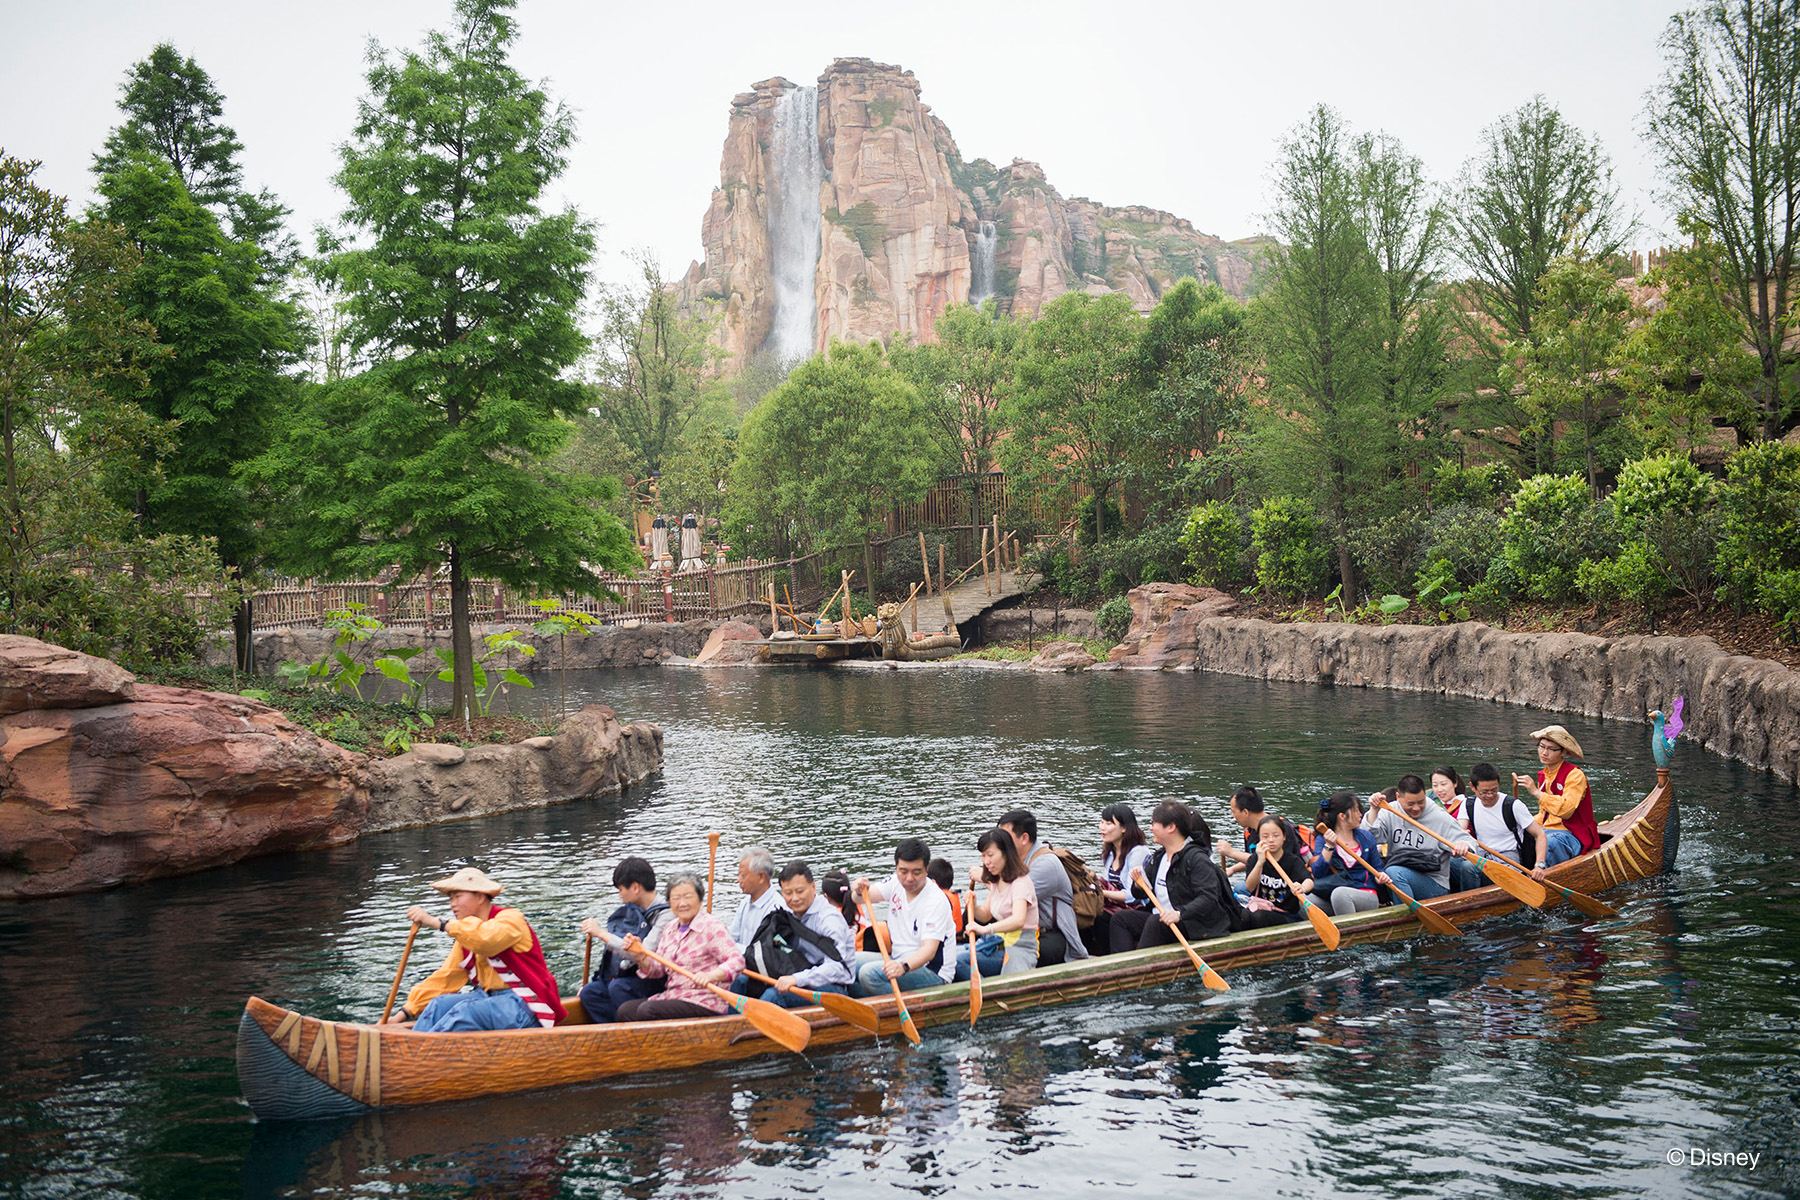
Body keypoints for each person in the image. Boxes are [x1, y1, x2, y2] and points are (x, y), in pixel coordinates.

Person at [387, 867, 564, 1031]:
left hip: (526, 1002)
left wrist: (437, 923)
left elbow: (486, 941)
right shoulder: (465, 934)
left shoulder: (511, 919)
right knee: (439, 1004)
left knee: (466, 1011)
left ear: (480, 897)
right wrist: (403, 1014)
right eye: (450, 898)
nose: (452, 904)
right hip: (489, 999)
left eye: (457, 896)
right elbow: (447, 977)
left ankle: (418, 1052)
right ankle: (412, 1045)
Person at [614, 873, 744, 1021]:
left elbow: (737, 961)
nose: (682, 903)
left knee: (647, 1010)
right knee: (625, 1011)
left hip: (705, 1000)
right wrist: (639, 955)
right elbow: (658, 969)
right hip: (674, 996)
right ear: (669, 902)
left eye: (688, 897)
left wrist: (710, 976)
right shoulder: (670, 928)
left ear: (700, 900)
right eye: (676, 898)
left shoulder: (712, 927)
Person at [1115, 800, 1241, 951]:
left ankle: (1136, 969)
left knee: (1156, 922)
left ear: (1171, 827)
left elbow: (1208, 898)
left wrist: (1179, 914)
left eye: (1154, 823)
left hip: (1193, 924)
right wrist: (1138, 882)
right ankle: (1120, 963)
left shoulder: (1196, 859)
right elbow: (1140, 893)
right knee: (1120, 918)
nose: (1150, 828)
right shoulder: (1159, 857)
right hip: (1162, 919)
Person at [849, 838, 957, 996]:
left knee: (869, 974)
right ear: (897, 867)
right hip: (897, 959)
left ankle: (891, 1011)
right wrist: (859, 889)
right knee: (847, 962)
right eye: (903, 871)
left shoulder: (936, 900)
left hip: (931, 971)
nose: (909, 878)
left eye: (916, 872)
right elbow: (860, 898)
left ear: (926, 869)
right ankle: (867, 1009)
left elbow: (929, 951)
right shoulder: (895, 882)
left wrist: (903, 967)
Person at [576, 856, 673, 1022]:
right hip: (628, 975)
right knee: (589, 992)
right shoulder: (629, 911)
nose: (620, 895)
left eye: (621, 889)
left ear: (635, 887)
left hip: (657, 978)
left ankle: (632, 1035)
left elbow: (643, 953)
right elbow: (611, 955)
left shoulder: (666, 914)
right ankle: (613, 1033)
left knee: (618, 988)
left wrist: (600, 933)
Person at [751, 860, 857, 1009]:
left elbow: (837, 968)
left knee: (773, 996)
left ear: (813, 887)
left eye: (800, 891)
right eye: (788, 893)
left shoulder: (828, 920)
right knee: (742, 982)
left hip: (833, 987)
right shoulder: (786, 914)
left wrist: (796, 979)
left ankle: (749, 1029)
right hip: (800, 975)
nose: (794, 898)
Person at [998, 809, 1090, 965]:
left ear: (1024, 838)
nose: (1000, 843)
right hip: (1027, 933)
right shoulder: (1015, 861)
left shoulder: (1045, 864)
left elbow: (1010, 902)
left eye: (1005, 838)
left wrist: (986, 878)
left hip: (1054, 936)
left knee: (1004, 955)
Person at [1363, 775, 1477, 901]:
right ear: (1398, 797)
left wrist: (1464, 845)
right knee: (1385, 873)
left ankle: (1405, 916)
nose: (1416, 808)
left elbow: (1469, 841)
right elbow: (1369, 840)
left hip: (1434, 883)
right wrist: (1374, 810)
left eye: (1421, 802)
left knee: (1394, 872)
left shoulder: (1438, 816)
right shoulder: (1389, 811)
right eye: (1410, 804)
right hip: (1400, 871)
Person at [957, 829, 1040, 979]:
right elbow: (985, 915)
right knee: (952, 956)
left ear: (1006, 853)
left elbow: (1018, 919)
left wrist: (985, 930)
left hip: (1018, 948)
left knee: (960, 961)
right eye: (983, 856)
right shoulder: (997, 881)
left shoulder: (1021, 883)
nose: (986, 862)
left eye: (990, 855)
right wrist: (973, 905)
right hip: (997, 943)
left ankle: (987, 995)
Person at [1513, 725, 1599, 867]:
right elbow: (1543, 814)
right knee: (1516, 837)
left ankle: (1541, 875)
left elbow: (1566, 810)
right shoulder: (1543, 774)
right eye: (1541, 746)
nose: (1544, 752)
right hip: (1546, 830)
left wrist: (1536, 792)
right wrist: (1524, 824)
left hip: (1571, 834)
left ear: (1563, 752)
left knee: (1549, 843)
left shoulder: (1575, 775)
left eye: (1551, 749)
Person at [1465, 762, 1551, 881]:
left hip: (1508, 860)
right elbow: (1460, 831)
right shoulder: (1468, 804)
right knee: (1462, 866)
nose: (1490, 796)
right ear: (1473, 787)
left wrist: (1539, 865)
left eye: (1494, 790)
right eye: (1484, 792)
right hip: (1481, 856)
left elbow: (1540, 834)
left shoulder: (1513, 806)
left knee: (1468, 868)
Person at [1087, 803, 1152, 955]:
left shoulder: (1138, 852)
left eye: (1108, 823)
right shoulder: (1110, 853)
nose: (1102, 827)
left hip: (1138, 909)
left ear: (1124, 828)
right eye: (1102, 822)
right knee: (1087, 911)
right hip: (1117, 906)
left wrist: (1101, 892)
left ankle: (1108, 957)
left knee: (1101, 917)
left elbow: (1131, 896)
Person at [1310, 790, 1384, 915]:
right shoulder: (1323, 839)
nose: (1360, 814)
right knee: (1305, 899)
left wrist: (1381, 876)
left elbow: (1378, 868)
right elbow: (1318, 873)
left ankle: (1349, 932)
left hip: (1365, 893)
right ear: (1342, 816)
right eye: (1356, 810)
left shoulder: (1366, 837)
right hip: (1334, 891)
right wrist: (1329, 846)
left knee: (1340, 894)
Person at [1241, 816, 1311, 928]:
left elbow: (1309, 880)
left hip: (1285, 915)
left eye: (1276, 835)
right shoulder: (1254, 859)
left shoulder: (1292, 861)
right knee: (1243, 915)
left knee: (1259, 917)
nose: (1271, 840)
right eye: (1265, 836)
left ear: (1284, 836)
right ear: (1259, 838)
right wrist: (1260, 862)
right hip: (1259, 907)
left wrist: (1302, 888)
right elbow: (1249, 887)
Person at [728, 847, 786, 949]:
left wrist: (731, 948)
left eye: (743, 875)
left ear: (761, 877)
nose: (739, 880)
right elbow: (733, 935)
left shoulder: (777, 909)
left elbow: (767, 951)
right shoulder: (745, 903)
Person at [1215, 786, 1265, 893]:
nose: (1233, 816)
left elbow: (1267, 861)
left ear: (1246, 812)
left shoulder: (1275, 830)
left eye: (1234, 811)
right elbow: (1251, 859)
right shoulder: (1249, 830)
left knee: (1239, 890)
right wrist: (1233, 869)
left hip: (1279, 887)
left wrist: (1231, 853)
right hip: (1258, 881)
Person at [822, 869, 876, 953]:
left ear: (826, 897)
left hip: (857, 953)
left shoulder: (834, 918)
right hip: (868, 944)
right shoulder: (855, 905)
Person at [928, 857, 967, 939]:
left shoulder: (940, 900)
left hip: (947, 942)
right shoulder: (951, 896)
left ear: (933, 883)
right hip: (958, 939)